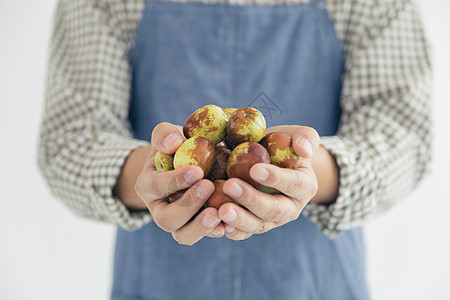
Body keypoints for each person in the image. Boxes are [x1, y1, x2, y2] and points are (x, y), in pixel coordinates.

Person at [37, 0, 432, 299]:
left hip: (314, 283)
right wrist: (156, 177)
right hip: (157, 281)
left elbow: (404, 138)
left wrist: (305, 171)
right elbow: (69, 141)